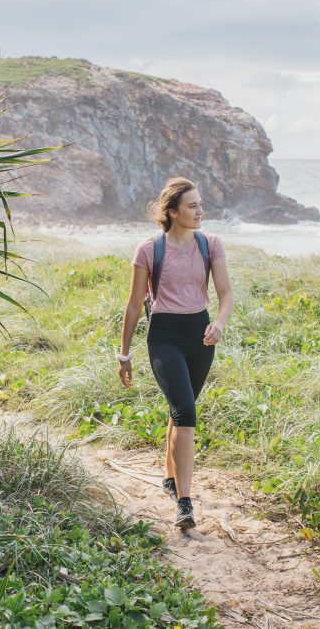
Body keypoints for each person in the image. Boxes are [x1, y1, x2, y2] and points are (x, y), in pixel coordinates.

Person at [118, 177, 234, 530]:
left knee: (179, 410)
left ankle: (170, 478)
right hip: (164, 336)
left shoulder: (210, 244)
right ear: (172, 212)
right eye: (192, 206)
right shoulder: (149, 250)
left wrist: (219, 323)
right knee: (185, 411)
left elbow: (226, 293)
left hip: (200, 337)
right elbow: (135, 305)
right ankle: (185, 502)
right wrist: (124, 354)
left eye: (200, 204)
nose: (201, 211)